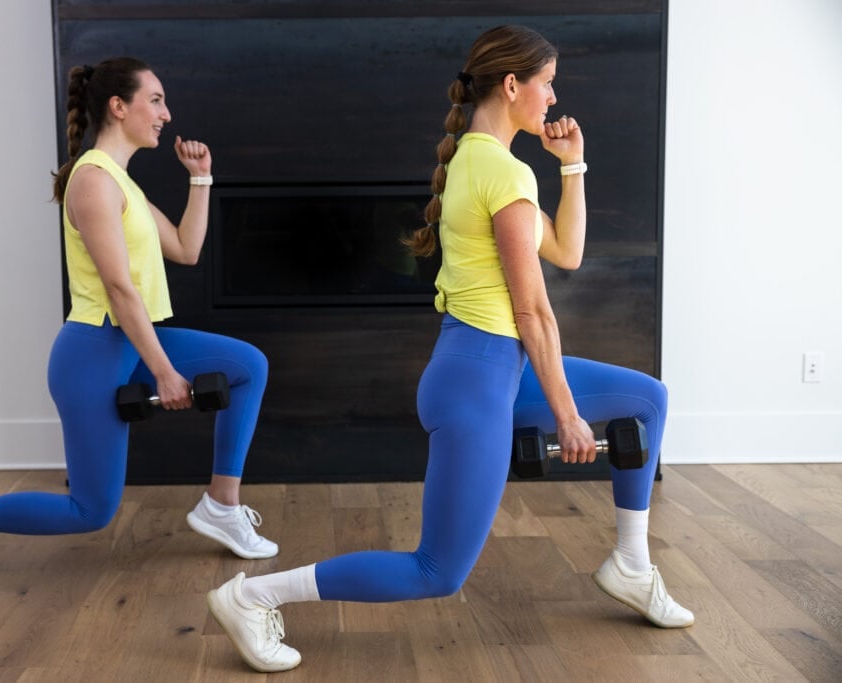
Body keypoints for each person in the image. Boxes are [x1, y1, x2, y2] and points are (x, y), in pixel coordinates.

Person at [206, 26, 693, 673]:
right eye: (547, 82)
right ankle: (252, 595)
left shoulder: (474, 158)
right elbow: (534, 312)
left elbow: (568, 253)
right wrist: (569, 414)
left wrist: (573, 165)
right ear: (513, 84)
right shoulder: (502, 171)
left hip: (486, 371)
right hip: (477, 385)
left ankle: (631, 563)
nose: (553, 97)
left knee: (647, 399)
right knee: (436, 569)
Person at [0, 57, 278, 593]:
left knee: (248, 366)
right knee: (89, 510)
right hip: (93, 352)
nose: (167, 113)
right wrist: (164, 373)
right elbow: (120, 291)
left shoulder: (122, 183)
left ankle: (222, 504)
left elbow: (187, 249)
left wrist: (201, 178)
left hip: (132, 341)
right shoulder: (93, 181)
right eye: (156, 100)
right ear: (119, 107)